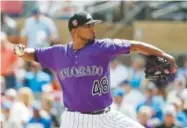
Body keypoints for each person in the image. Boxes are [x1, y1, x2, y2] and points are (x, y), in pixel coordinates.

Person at [14, 11, 176, 128]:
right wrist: (21, 51)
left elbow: (135, 46)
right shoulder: (58, 53)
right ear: (75, 30)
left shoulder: (103, 46)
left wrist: (164, 55)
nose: (93, 29)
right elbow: (34, 54)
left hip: (107, 116)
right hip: (75, 120)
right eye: (88, 26)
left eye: (93, 25)